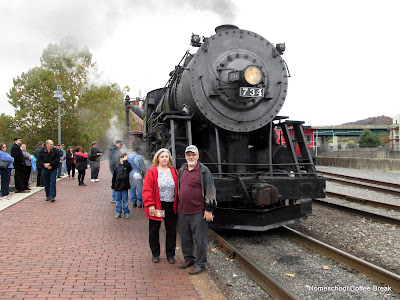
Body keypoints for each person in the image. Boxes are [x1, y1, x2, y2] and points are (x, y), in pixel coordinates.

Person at [177, 145, 217, 275]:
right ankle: (189, 259)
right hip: (183, 210)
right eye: (189, 155)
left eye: (193, 154)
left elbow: (210, 190)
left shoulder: (204, 171)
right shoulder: (182, 169)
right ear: (185, 156)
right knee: (185, 238)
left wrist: (209, 209)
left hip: (197, 211)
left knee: (200, 240)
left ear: (198, 156)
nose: (191, 157)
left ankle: (200, 264)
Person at [143, 148, 178, 264]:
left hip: (171, 205)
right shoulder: (152, 172)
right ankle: (155, 253)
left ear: (169, 158)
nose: (164, 159)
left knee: (171, 230)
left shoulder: (174, 172)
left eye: (166, 157)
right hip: (157, 205)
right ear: (157, 158)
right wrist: (150, 205)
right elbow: (147, 189)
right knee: (154, 230)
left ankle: (170, 254)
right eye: (162, 156)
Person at [111, 153, 132, 219]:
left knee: (125, 201)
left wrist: (126, 161)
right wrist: (113, 186)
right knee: (118, 201)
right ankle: (118, 212)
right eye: (122, 158)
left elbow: (130, 168)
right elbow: (114, 177)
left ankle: (126, 212)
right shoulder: (117, 167)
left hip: (124, 186)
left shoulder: (127, 166)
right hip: (117, 186)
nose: (122, 159)